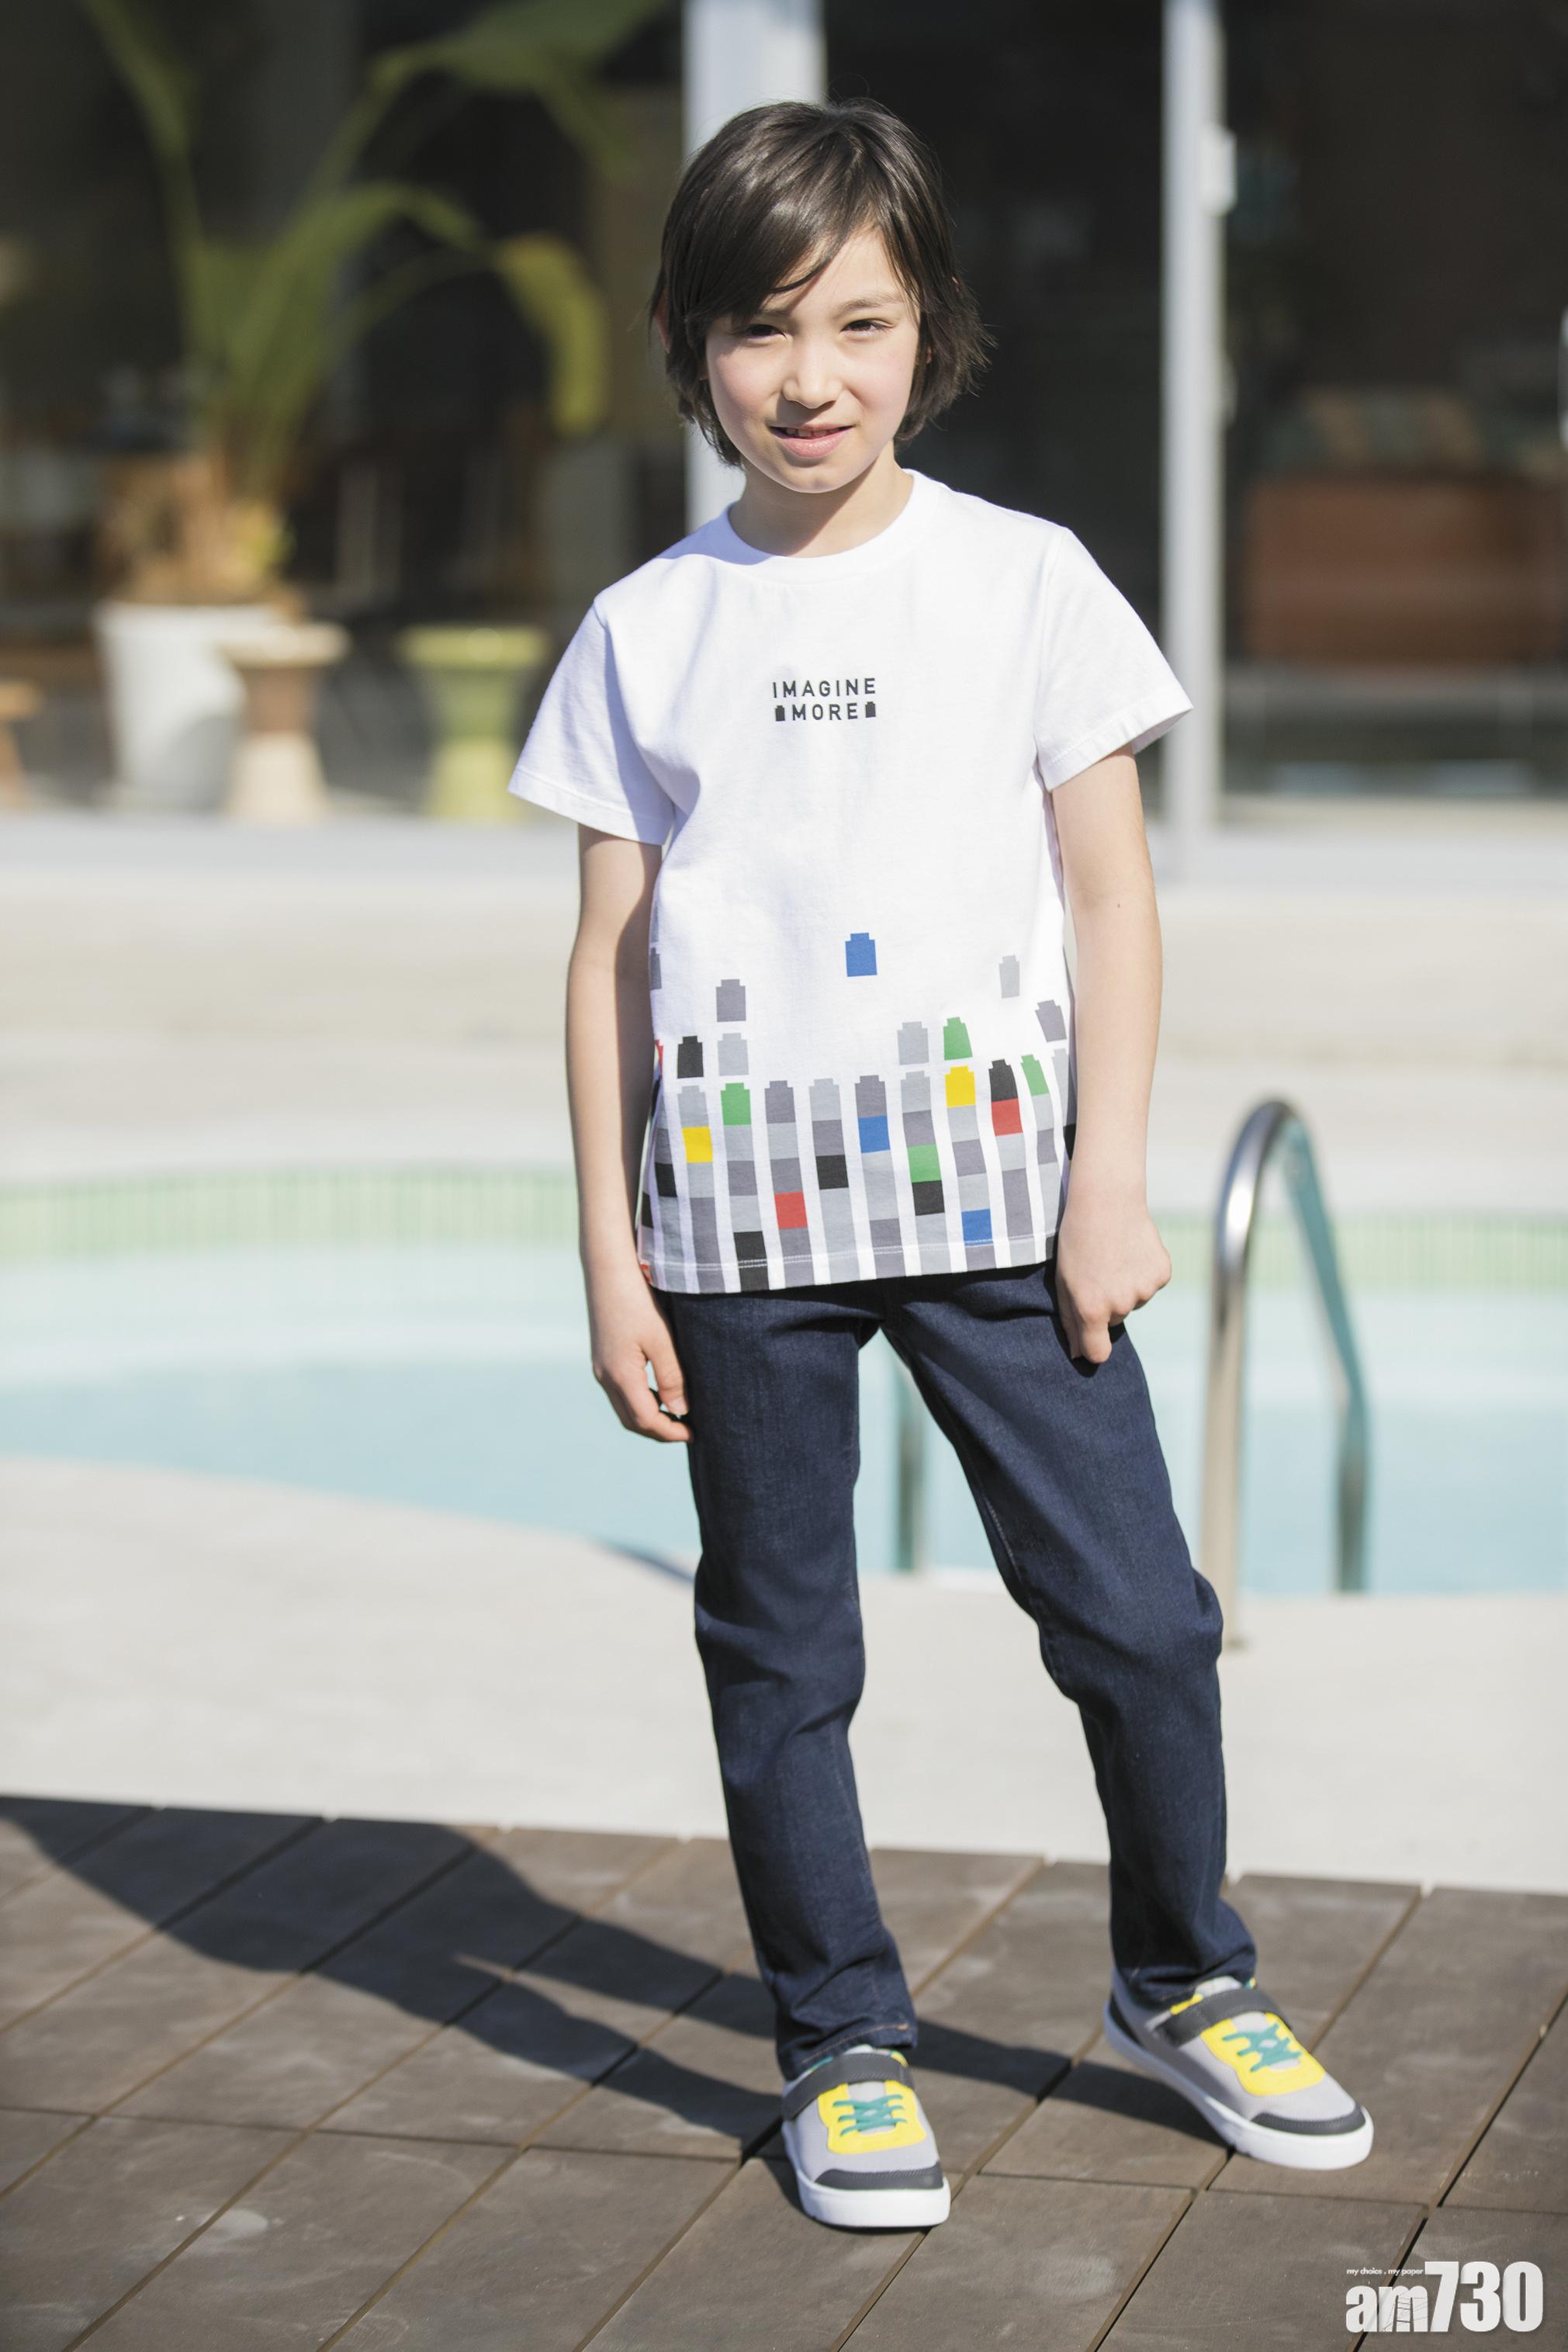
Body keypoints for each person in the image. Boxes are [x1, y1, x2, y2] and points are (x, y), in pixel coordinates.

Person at [507, 98, 1372, 2230]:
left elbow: (1114, 898)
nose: (812, 377)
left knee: (1143, 1620)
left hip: (1006, 1208)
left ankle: (1184, 1977)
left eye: (861, 323)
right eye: (762, 327)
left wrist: (1110, 1177)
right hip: (737, 1231)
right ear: (690, 346)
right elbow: (611, 957)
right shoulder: (644, 628)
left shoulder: (1028, 584)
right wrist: (612, 1257)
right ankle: (843, 2039)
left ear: (929, 330)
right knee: (783, 1657)